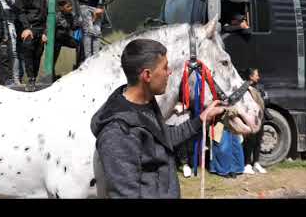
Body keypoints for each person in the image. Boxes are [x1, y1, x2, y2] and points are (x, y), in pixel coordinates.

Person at [90, 39, 225, 198]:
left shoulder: (145, 103)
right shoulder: (118, 132)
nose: (169, 72)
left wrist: (202, 119)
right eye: (165, 67)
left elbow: (164, 138)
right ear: (147, 75)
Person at [14, 0, 49, 92]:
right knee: (28, 54)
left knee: (38, 55)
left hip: (41, 28)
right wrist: (26, 28)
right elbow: (20, 12)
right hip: (29, 28)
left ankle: (34, 78)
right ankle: (30, 79)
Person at [242, 68, 268, 175]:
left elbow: (265, 100)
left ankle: (256, 163)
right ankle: (247, 164)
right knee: (249, 142)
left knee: (258, 141)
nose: (258, 77)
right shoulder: (244, 87)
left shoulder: (258, 87)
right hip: (250, 119)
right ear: (250, 76)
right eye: (256, 75)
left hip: (260, 118)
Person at [53, 0, 81, 74]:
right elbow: (51, 29)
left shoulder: (70, 15)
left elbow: (73, 27)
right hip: (56, 40)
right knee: (53, 57)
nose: (71, 8)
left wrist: (79, 24)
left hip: (65, 38)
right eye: (68, 7)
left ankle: (78, 66)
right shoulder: (56, 16)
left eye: (71, 6)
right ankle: (51, 74)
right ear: (61, 8)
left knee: (78, 45)